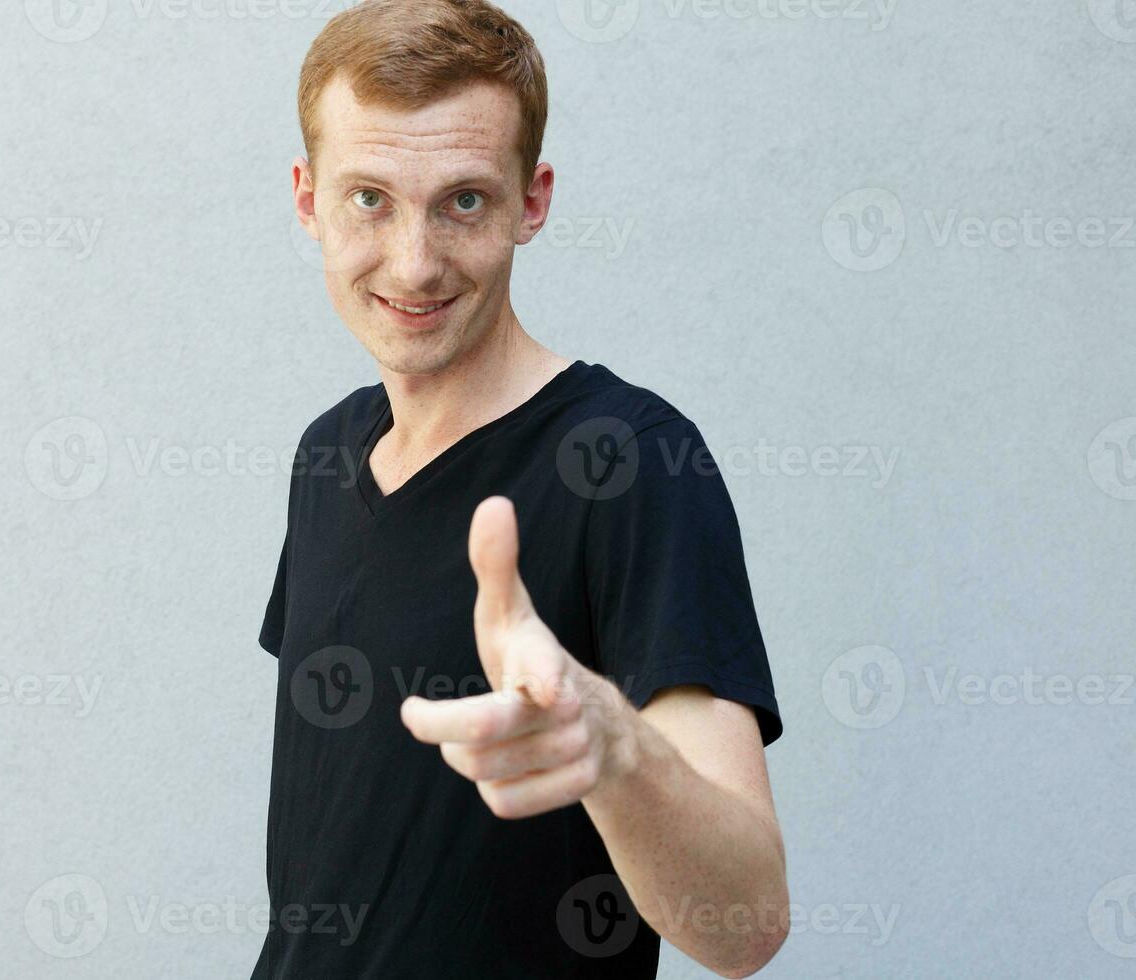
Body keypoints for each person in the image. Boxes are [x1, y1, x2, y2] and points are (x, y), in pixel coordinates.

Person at [255, 2, 788, 976]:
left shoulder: (634, 462)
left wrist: (616, 749)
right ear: (307, 200)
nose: (414, 263)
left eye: (463, 201)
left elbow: (745, 923)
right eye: (369, 197)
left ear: (531, 202)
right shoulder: (326, 453)